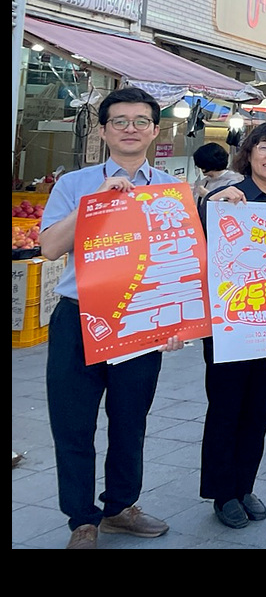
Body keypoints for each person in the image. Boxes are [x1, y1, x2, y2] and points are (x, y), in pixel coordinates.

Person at [40, 87, 186, 549]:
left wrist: (175, 322)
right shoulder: (74, 184)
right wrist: (95, 202)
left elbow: (179, 259)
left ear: (155, 130)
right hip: (78, 317)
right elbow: (50, 247)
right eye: (119, 121)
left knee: (130, 420)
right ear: (103, 131)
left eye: (141, 121)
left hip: (141, 320)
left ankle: (120, 507)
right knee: (73, 423)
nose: (130, 129)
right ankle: (82, 520)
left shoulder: (168, 190)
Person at [199, 122, 266, 529]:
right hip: (230, 324)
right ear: (249, 153)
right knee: (225, 407)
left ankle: (245, 485)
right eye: (264, 146)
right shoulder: (228, 197)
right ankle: (223, 493)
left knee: (259, 409)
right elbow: (199, 242)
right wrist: (211, 203)